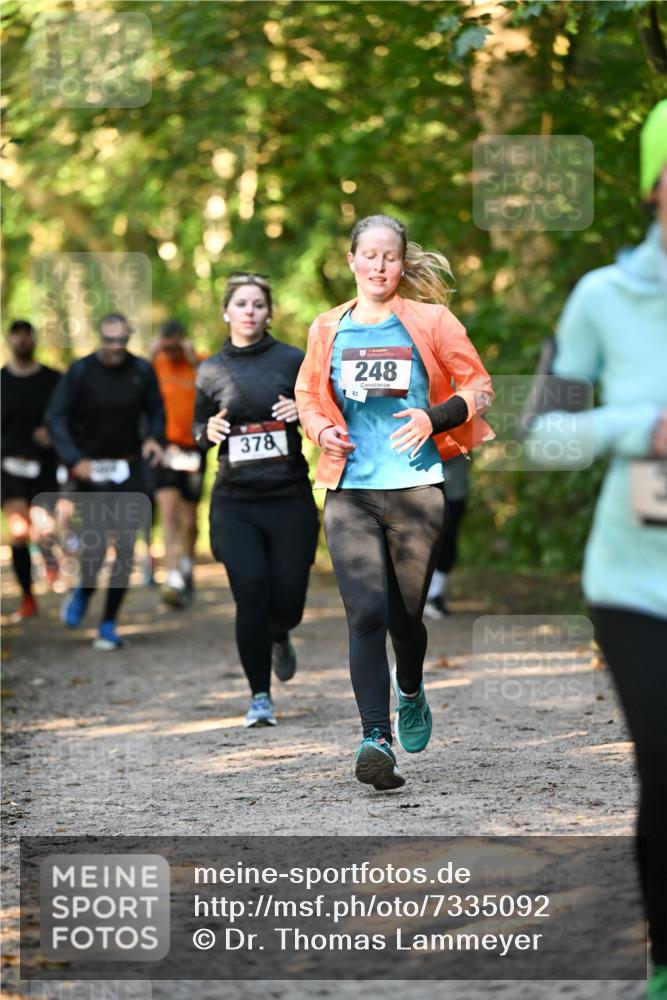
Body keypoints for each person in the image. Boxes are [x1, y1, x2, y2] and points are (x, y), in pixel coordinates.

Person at [526, 101, 667, 999]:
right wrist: (639, 428)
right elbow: (544, 433)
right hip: (634, 583)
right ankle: (663, 960)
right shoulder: (601, 298)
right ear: (659, 188)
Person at [295, 214, 494, 790]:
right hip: (350, 490)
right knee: (366, 613)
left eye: (390, 256)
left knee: (406, 620)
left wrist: (433, 417)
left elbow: (478, 386)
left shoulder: (431, 320)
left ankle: (411, 687)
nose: (380, 266)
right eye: (370, 255)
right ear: (351, 260)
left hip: (415, 489)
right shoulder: (327, 326)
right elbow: (309, 393)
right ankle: (375, 739)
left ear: (402, 264)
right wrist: (320, 430)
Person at [193, 273, 319, 727]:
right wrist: (206, 433)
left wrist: (302, 412)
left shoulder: (292, 360)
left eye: (258, 304)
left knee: (287, 603)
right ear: (226, 311)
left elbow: (325, 413)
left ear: (269, 313)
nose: (249, 311)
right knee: (250, 593)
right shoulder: (209, 370)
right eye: (241, 304)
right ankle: (259, 697)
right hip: (236, 501)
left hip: (288, 497)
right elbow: (196, 431)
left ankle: (281, 633)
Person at [46, 313, 165, 650]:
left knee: (126, 545)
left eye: (122, 341)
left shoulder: (141, 372)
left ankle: (109, 622)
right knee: (96, 543)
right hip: (91, 468)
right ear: (100, 339)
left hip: (129, 468)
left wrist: (155, 438)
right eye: (110, 341)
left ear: (129, 338)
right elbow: (56, 417)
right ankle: (84, 589)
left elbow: (157, 412)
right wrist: (74, 460)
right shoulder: (80, 371)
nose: (116, 347)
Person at [1, 320, 61, 620]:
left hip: (45, 465)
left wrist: (52, 433)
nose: (22, 341)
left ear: (34, 339)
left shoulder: (52, 379)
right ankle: (28, 597)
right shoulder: (2, 381)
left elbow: (69, 416)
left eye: (27, 335)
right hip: (9, 466)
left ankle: (50, 556)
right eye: (17, 336)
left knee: (44, 527)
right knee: (19, 531)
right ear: (10, 340)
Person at [150, 319, 206, 606]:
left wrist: (191, 358)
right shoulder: (155, 364)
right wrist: (152, 352)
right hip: (165, 448)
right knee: (169, 511)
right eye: (166, 347)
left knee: (189, 518)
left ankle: (186, 565)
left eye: (175, 346)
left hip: (194, 448)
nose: (171, 353)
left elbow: (214, 386)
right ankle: (171, 575)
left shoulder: (198, 363)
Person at [423, 452, 470, 619]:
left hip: (455, 492)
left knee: (448, 541)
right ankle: (419, 595)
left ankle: (435, 595)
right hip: (421, 489)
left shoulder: (467, 427)